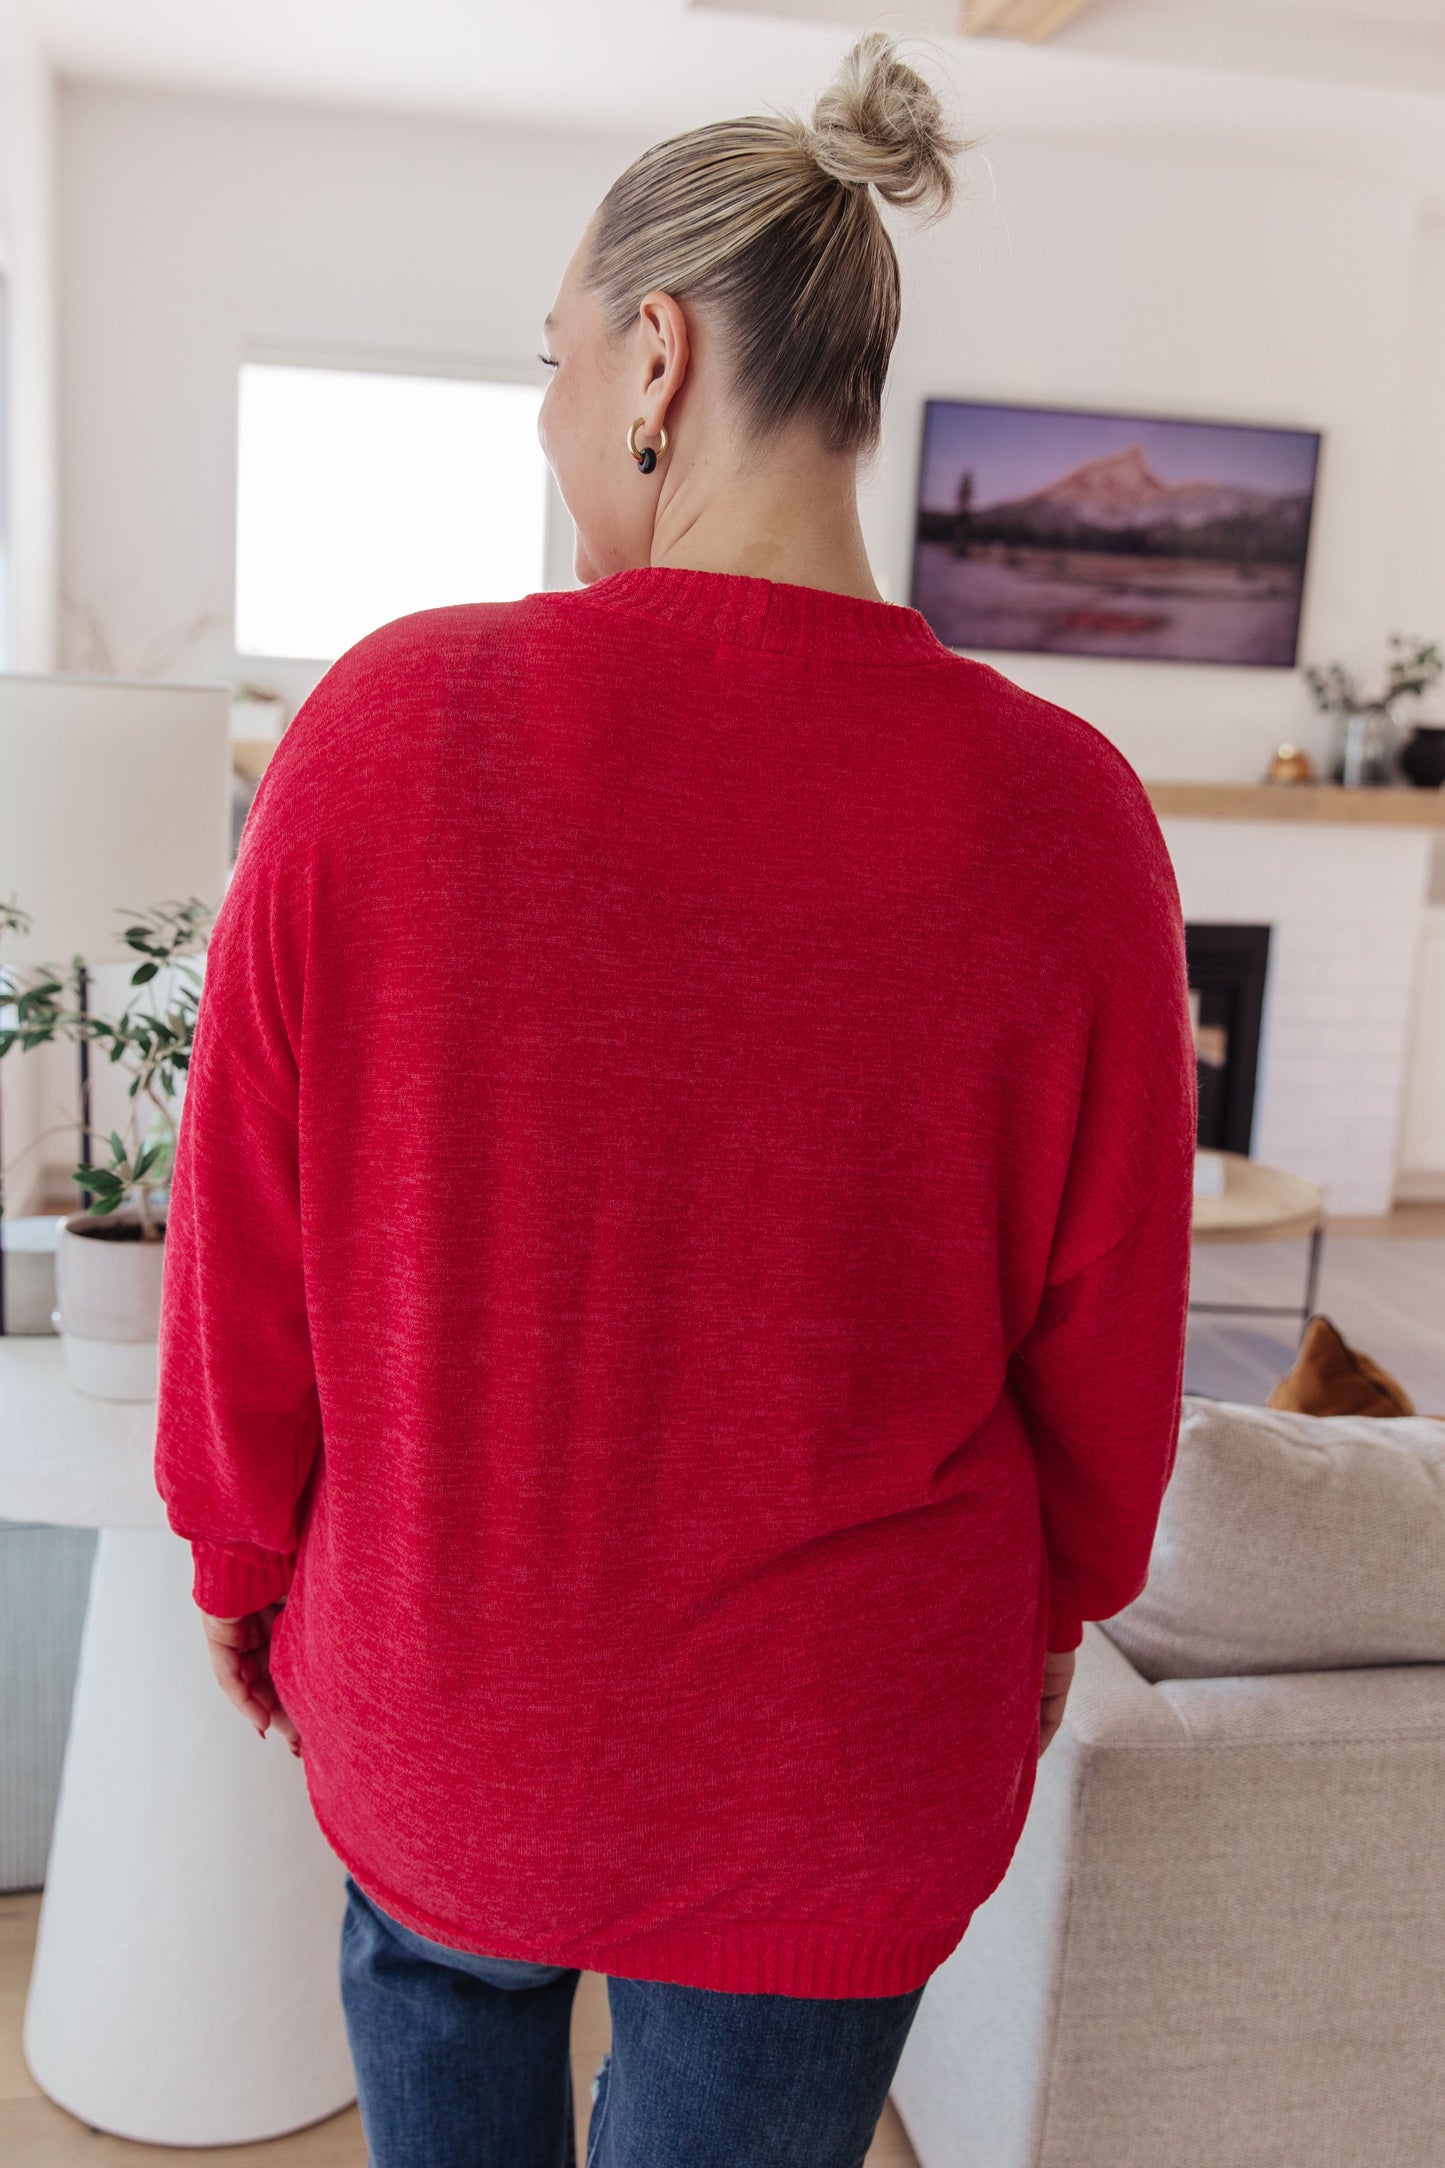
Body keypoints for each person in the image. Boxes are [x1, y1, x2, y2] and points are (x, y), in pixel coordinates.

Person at [154, 31, 1197, 2168]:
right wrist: (1057, 1605)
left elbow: (241, 1246)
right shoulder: (1072, 818)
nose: (555, 427)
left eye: (550, 364)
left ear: (653, 357)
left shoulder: (382, 730)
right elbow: (1108, 1347)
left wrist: (241, 1559)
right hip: (837, 1769)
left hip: (455, 1714)